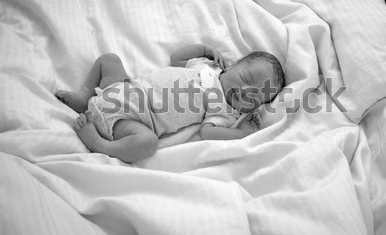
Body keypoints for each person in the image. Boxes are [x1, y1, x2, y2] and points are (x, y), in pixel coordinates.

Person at [56, 44, 285, 163]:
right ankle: (85, 96)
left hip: (132, 119)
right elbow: (176, 58)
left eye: (254, 97)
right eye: (246, 79)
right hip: (121, 88)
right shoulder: (206, 67)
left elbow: (209, 132)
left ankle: (99, 144)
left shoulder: (224, 110)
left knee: (148, 143)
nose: (245, 92)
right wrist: (203, 49)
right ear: (232, 65)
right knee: (109, 60)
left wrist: (241, 133)